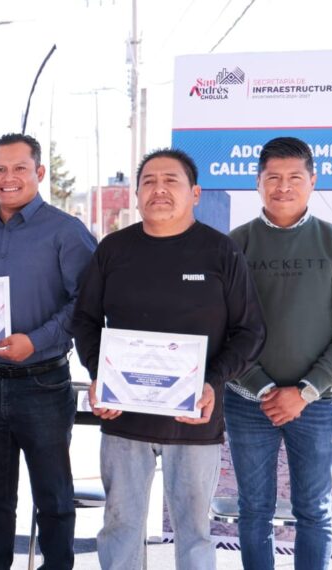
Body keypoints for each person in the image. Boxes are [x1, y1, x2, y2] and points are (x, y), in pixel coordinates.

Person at [71, 148, 266, 570]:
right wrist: (98, 375)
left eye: (171, 181)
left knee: (195, 534)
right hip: (123, 419)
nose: (159, 189)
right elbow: (85, 320)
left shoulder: (221, 252)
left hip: (195, 421)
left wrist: (212, 384)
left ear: (194, 193)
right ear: (137, 195)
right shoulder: (113, 249)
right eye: (149, 182)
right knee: (120, 529)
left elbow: (251, 332)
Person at [227, 137, 332, 570]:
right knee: (254, 511)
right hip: (249, 402)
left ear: (313, 181)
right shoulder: (235, 245)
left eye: (294, 178)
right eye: (273, 177)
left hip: (319, 403)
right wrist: (264, 388)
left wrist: (305, 391)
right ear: (258, 183)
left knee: (314, 512)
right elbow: (223, 328)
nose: (283, 187)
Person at [0, 133, 97, 570]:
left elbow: (86, 304)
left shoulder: (66, 230)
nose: (9, 178)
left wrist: (35, 340)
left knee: (54, 499)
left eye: (20, 168)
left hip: (42, 383)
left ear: (39, 173)